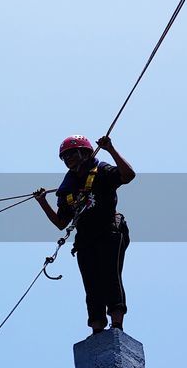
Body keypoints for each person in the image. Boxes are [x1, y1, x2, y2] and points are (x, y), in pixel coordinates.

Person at [34, 135, 136, 334]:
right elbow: (61, 223)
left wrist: (111, 149)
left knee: (110, 276)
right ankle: (97, 329)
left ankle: (117, 325)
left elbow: (128, 176)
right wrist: (42, 202)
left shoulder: (102, 171)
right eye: (65, 156)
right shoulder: (66, 190)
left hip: (109, 231)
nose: (68, 159)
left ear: (85, 153)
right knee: (91, 286)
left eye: (72, 153)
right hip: (85, 240)